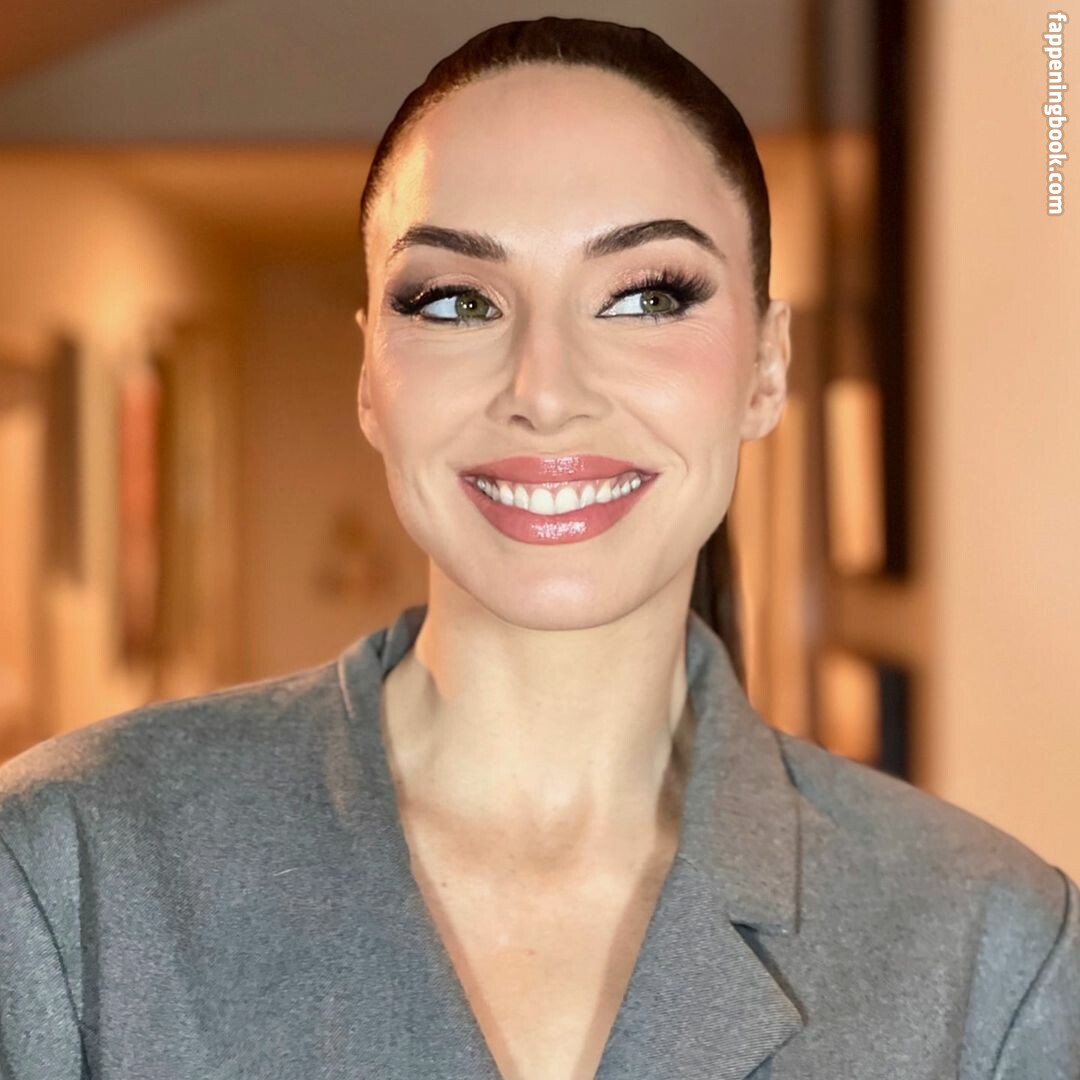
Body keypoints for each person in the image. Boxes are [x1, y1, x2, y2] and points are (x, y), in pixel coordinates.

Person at [1, 16, 1077, 1080]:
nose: (546, 391)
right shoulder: (66, 873)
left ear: (766, 368)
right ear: (371, 380)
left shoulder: (992, 952)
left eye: (646, 297)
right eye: (457, 303)